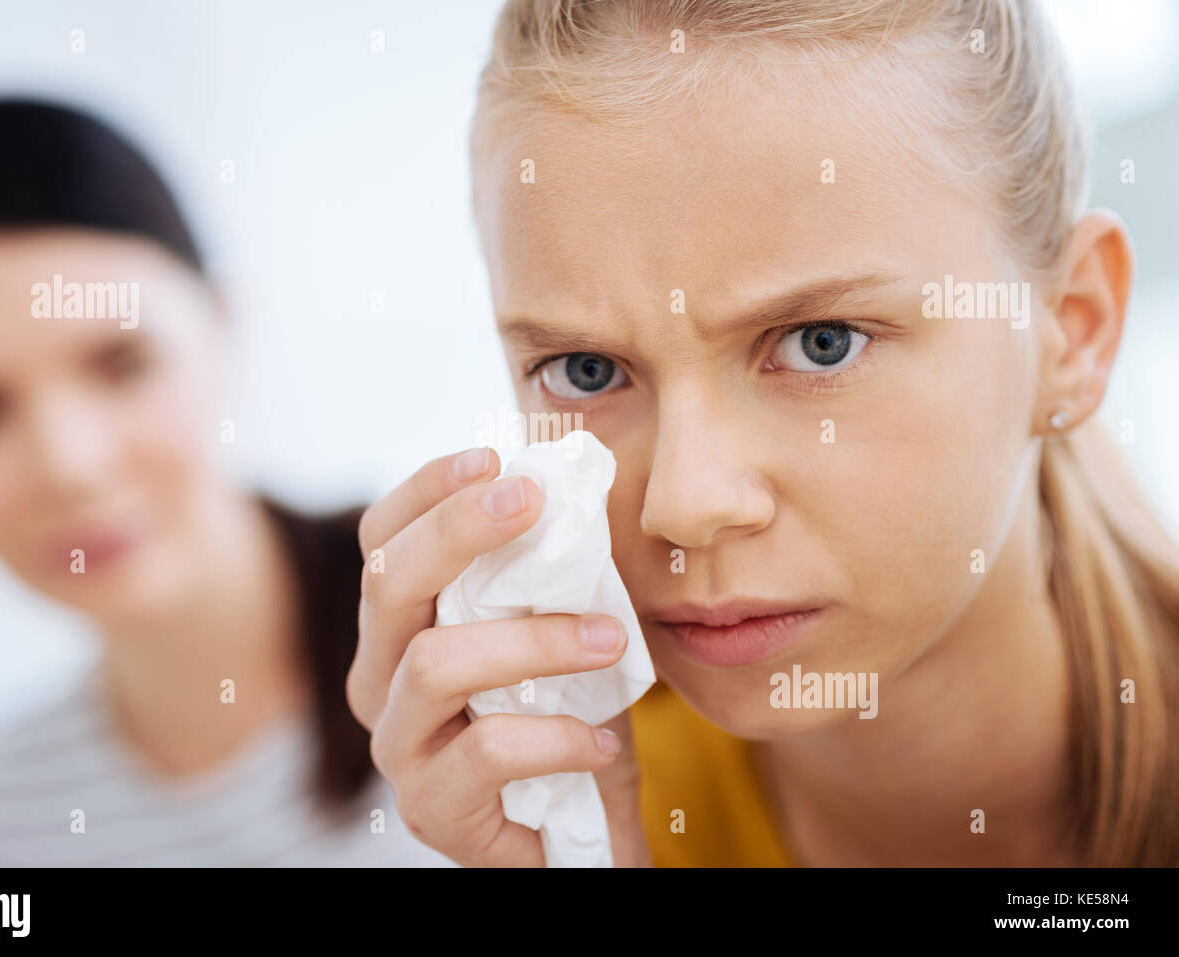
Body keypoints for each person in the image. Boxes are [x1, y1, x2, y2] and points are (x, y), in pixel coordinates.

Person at [350, 0, 1179, 866]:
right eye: (586, 370)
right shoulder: (566, 804)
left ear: (1074, 330)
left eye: (821, 344)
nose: (684, 504)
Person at [0, 98, 452, 866]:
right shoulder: (6, 811)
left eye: (120, 363)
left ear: (220, 325)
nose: (68, 465)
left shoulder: (469, 647)